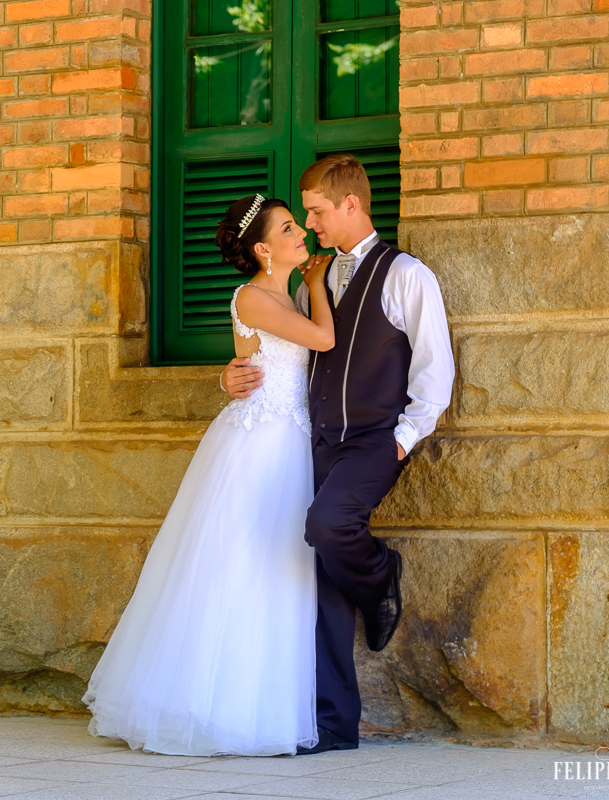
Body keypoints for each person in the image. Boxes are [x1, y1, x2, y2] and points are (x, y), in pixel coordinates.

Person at [83, 194, 335, 756]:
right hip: (261, 444)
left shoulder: (281, 292)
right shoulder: (254, 295)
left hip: (283, 438)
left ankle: (254, 705)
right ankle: (207, 707)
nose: (301, 235)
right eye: (290, 228)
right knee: (240, 565)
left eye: (300, 225)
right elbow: (322, 339)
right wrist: (318, 282)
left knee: (274, 568)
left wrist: (307, 285)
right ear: (264, 249)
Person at [221, 154, 455, 754]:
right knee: (322, 583)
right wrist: (233, 375)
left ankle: (380, 576)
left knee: (328, 527)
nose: (310, 222)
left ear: (350, 205)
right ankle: (333, 726)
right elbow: (277, 351)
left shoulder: (406, 275)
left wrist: (400, 440)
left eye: (317, 211)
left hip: (374, 441)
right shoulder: (307, 280)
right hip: (314, 439)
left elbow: (435, 376)